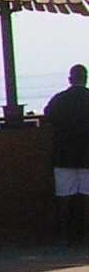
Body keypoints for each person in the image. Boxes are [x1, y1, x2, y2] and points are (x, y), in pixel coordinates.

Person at [45, 63, 89, 245]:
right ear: (85, 79)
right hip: (87, 156)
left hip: (63, 155)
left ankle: (64, 236)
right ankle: (85, 235)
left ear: (70, 79)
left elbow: (48, 116)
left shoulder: (60, 99)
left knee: (64, 198)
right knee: (86, 197)